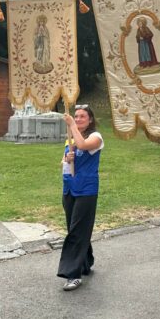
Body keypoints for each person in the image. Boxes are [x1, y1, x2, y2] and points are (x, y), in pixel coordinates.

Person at [57, 105, 103, 291]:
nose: (78, 119)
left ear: (90, 119)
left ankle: (72, 274)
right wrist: (67, 159)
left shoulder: (96, 137)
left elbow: (83, 146)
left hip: (86, 190)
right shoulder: (70, 138)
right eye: (75, 117)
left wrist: (70, 126)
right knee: (75, 228)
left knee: (76, 231)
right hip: (69, 188)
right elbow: (63, 162)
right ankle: (86, 261)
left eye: (82, 117)